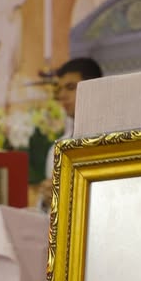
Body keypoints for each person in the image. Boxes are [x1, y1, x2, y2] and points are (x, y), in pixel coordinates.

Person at [35, 57, 103, 212]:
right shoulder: (57, 148)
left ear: (95, 87)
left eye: (70, 87)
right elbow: (48, 214)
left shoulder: (116, 137)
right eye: (60, 89)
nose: (62, 96)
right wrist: (46, 200)